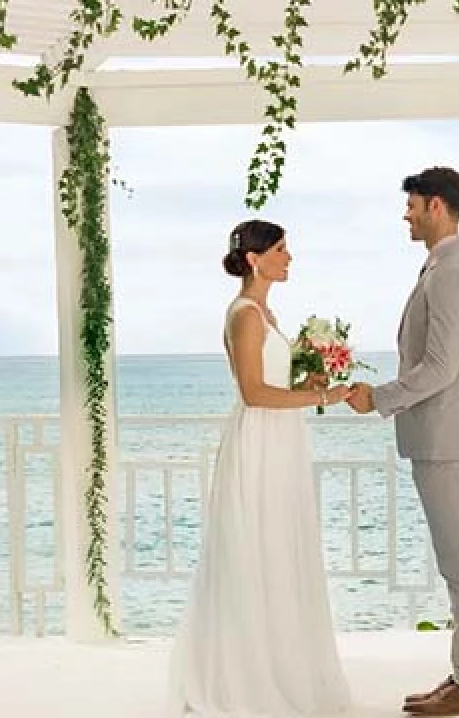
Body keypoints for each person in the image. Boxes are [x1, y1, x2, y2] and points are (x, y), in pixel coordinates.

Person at [168, 219, 354, 718]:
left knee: (280, 549)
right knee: (256, 548)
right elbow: (252, 392)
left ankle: (282, 661)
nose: (289, 257)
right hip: (259, 440)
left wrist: (312, 373)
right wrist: (322, 395)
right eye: (281, 249)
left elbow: (276, 380)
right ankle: (246, 675)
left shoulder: (268, 313)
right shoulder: (245, 315)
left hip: (282, 439)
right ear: (255, 259)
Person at [345, 167, 459, 717]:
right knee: (457, 561)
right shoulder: (440, 269)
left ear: (436, 206)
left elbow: (439, 367)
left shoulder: (453, 273)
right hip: (439, 437)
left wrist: (379, 397)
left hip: (446, 439)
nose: (405, 215)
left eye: (411, 205)